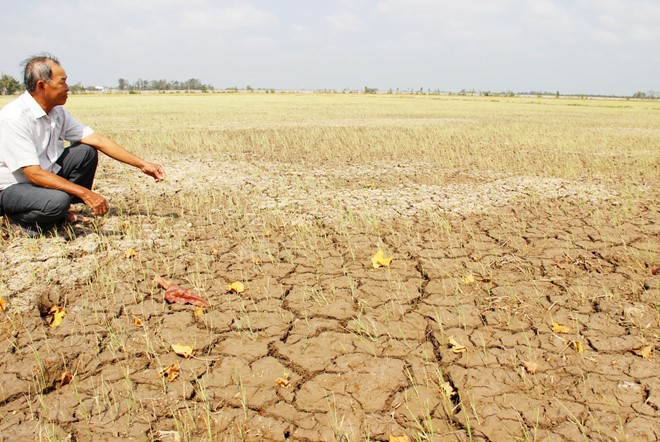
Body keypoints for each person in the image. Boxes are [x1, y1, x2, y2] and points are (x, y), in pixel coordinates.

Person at [0, 53, 165, 237]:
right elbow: (33, 173)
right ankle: (18, 221)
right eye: (62, 82)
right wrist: (85, 193)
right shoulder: (14, 117)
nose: (67, 88)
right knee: (58, 201)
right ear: (41, 85)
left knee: (85, 152)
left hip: (39, 181)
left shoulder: (57, 113)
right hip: (11, 189)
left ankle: (57, 214)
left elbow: (98, 140)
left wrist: (143, 164)